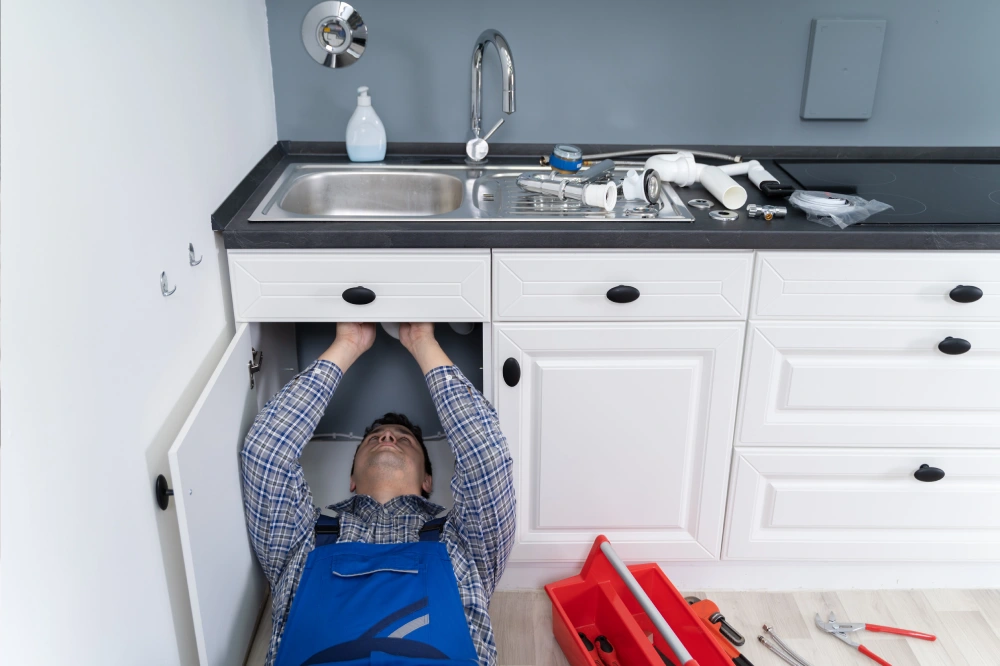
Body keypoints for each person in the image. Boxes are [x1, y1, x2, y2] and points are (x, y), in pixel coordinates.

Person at [240, 322, 516, 666]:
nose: (387, 437)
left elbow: (485, 458)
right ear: (352, 478)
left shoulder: (465, 540)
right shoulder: (302, 535)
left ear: (427, 479)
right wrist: (348, 343)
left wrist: (422, 341)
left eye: (403, 438)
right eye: (374, 438)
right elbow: (265, 454)